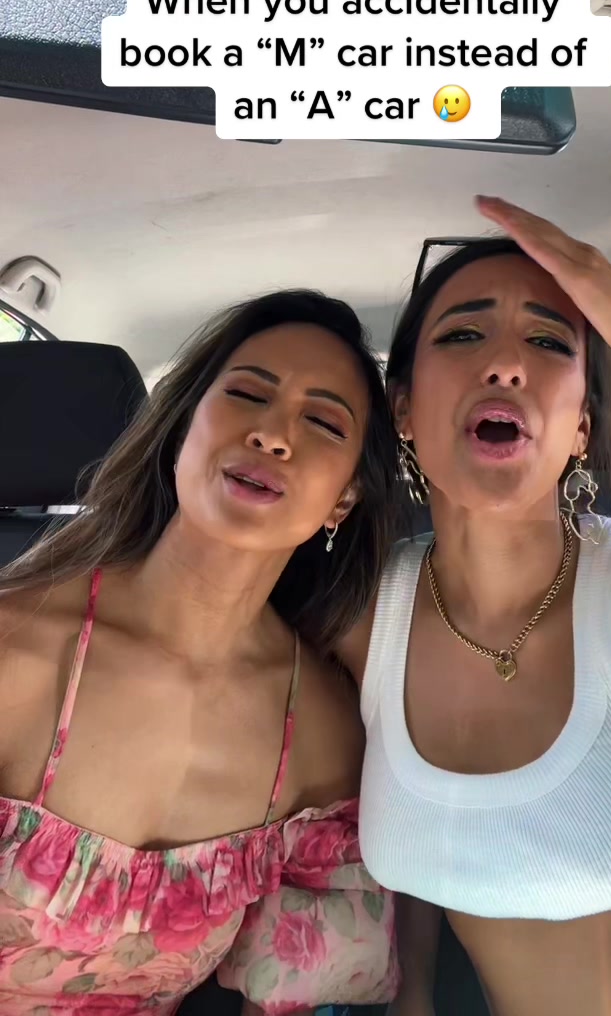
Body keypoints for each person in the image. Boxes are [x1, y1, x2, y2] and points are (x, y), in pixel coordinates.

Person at [339, 197, 611, 1016]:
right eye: (462, 335)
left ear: (582, 425)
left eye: (549, 342)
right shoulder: (361, 619)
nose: (506, 364)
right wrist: (413, 994)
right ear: (403, 409)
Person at [0, 289, 403, 1015]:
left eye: (321, 422)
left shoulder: (323, 735)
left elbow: (288, 994)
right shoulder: (15, 645)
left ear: (344, 499)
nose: (272, 435)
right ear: (183, 428)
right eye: (247, 395)